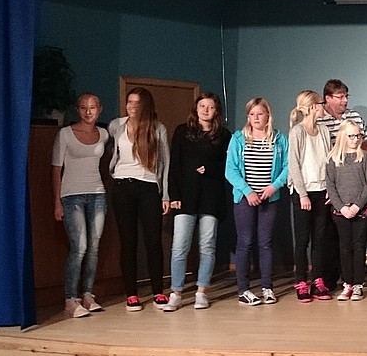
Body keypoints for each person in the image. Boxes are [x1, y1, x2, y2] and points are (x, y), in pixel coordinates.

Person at [164, 93, 231, 311]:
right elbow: (174, 165)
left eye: (210, 107)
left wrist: (210, 169)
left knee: (207, 246)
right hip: (186, 196)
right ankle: (176, 293)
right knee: (179, 246)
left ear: (216, 111)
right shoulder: (182, 131)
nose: (205, 110)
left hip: (211, 197)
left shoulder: (224, 135)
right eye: (202, 106)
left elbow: (228, 165)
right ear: (196, 108)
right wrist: (174, 195)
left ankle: (201, 292)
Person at [108, 87, 170, 311]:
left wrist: (165, 194)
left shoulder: (158, 128)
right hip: (122, 186)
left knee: (153, 241)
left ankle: (158, 291)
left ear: (145, 105)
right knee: (128, 242)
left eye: (137, 102)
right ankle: (131, 294)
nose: (132, 106)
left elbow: (165, 163)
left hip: (148, 186)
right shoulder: (116, 125)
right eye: (129, 102)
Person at [225, 97, 288, 306]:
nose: (256, 118)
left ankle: (267, 287)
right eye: (252, 114)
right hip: (245, 199)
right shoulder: (238, 139)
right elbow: (230, 170)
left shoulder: (279, 139)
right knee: (245, 242)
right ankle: (243, 290)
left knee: (265, 243)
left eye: (260, 114)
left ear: (268, 115)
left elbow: (287, 167)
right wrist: (247, 191)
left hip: (269, 197)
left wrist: (273, 187)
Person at [52, 93, 110, 318]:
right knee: (80, 247)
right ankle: (70, 299)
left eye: (92, 107)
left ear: (99, 109)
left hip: (97, 194)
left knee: (94, 247)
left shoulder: (103, 134)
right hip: (71, 196)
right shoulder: (65, 134)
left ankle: (87, 294)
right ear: (77, 109)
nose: (88, 111)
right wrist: (57, 202)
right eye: (84, 107)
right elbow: (56, 169)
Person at [316, 79, 367, 292]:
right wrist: (333, 194)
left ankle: (356, 280)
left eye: (346, 96)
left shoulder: (354, 117)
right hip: (333, 187)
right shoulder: (320, 120)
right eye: (340, 97)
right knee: (333, 239)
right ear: (328, 98)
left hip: (356, 185)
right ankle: (335, 280)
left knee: (357, 242)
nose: (345, 100)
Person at [287, 90, 334, 303]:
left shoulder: (323, 130)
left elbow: (329, 160)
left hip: (321, 191)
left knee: (320, 240)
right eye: (321, 104)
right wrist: (302, 194)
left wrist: (330, 189)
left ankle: (318, 280)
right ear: (314, 106)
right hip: (302, 193)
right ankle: (301, 282)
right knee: (302, 240)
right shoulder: (297, 132)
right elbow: (294, 165)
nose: (324, 107)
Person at [326, 120, 367, 301]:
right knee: (345, 247)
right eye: (351, 136)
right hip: (341, 212)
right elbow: (330, 186)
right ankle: (347, 283)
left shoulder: (364, 156)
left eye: (358, 136)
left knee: (359, 246)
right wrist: (341, 207)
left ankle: (358, 285)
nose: (355, 139)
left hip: (361, 211)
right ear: (342, 136)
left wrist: (357, 206)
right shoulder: (333, 159)